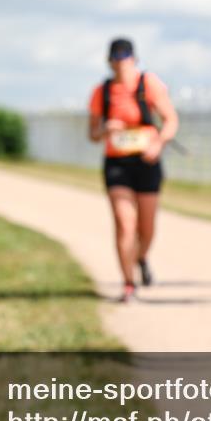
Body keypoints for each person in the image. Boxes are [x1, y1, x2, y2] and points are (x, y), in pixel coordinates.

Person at [88, 38, 179, 302]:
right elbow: (92, 133)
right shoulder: (101, 92)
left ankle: (141, 257)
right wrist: (105, 129)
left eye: (125, 57)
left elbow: (171, 120)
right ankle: (128, 283)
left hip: (147, 161)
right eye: (116, 58)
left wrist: (159, 144)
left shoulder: (148, 84)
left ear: (134, 59)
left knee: (146, 226)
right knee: (124, 223)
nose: (120, 63)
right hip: (117, 163)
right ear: (109, 62)